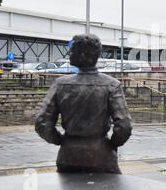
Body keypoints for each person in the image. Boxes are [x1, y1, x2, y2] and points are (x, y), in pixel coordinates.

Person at [35, 34, 132, 173]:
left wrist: (61, 141)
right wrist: (111, 145)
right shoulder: (111, 85)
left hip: (68, 155)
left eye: (72, 50)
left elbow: (42, 123)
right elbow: (124, 126)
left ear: (82, 54)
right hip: (101, 155)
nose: (69, 53)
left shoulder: (60, 84)